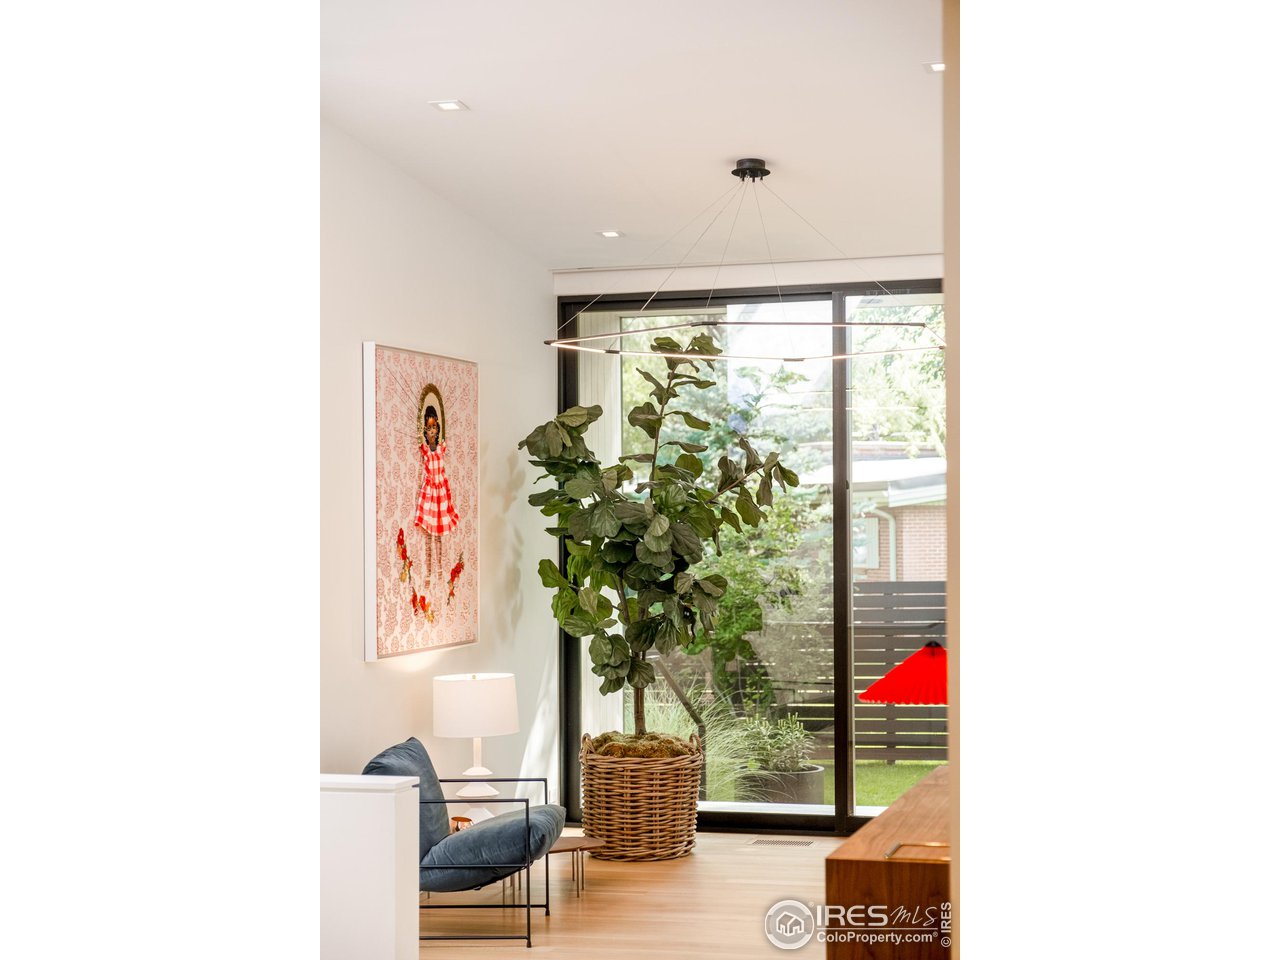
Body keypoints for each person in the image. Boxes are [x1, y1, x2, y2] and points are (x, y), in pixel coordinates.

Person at [414, 406, 459, 536]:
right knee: (429, 527)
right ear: (425, 431)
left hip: (441, 488)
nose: (432, 431)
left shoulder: (441, 449)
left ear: (438, 428)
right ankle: (428, 557)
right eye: (429, 428)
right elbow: (420, 444)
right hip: (430, 489)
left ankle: (438, 557)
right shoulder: (426, 450)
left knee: (440, 526)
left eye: (434, 427)